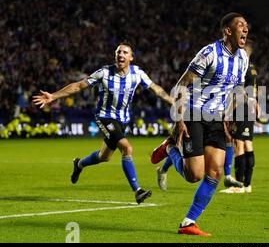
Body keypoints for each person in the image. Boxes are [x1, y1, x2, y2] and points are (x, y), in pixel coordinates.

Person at [33, 42, 174, 204]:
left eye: (125, 53)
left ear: (131, 57)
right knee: (127, 148)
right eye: (118, 52)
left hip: (123, 120)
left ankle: (79, 164)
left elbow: (155, 89)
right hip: (104, 117)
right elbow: (79, 85)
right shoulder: (104, 72)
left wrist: (172, 102)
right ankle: (137, 191)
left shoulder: (138, 73)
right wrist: (53, 96)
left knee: (104, 157)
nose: (121, 55)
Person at [151, 13, 250, 236]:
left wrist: (229, 116)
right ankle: (170, 148)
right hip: (194, 113)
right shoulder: (209, 53)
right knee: (193, 175)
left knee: (214, 173)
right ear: (228, 30)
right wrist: (179, 118)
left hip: (216, 119)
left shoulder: (243, 58)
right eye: (240, 25)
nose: (245, 29)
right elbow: (182, 84)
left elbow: (236, 91)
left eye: (246, 26)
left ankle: (188, 222)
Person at [221, 39, 259, 194]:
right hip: (249, 107)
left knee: (238, 145)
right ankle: (247, 185)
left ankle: (238, 185)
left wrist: (230, 111)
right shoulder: (253, 69)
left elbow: (240, 92)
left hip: (242, 108)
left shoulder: (243, 67)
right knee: (247, 144)